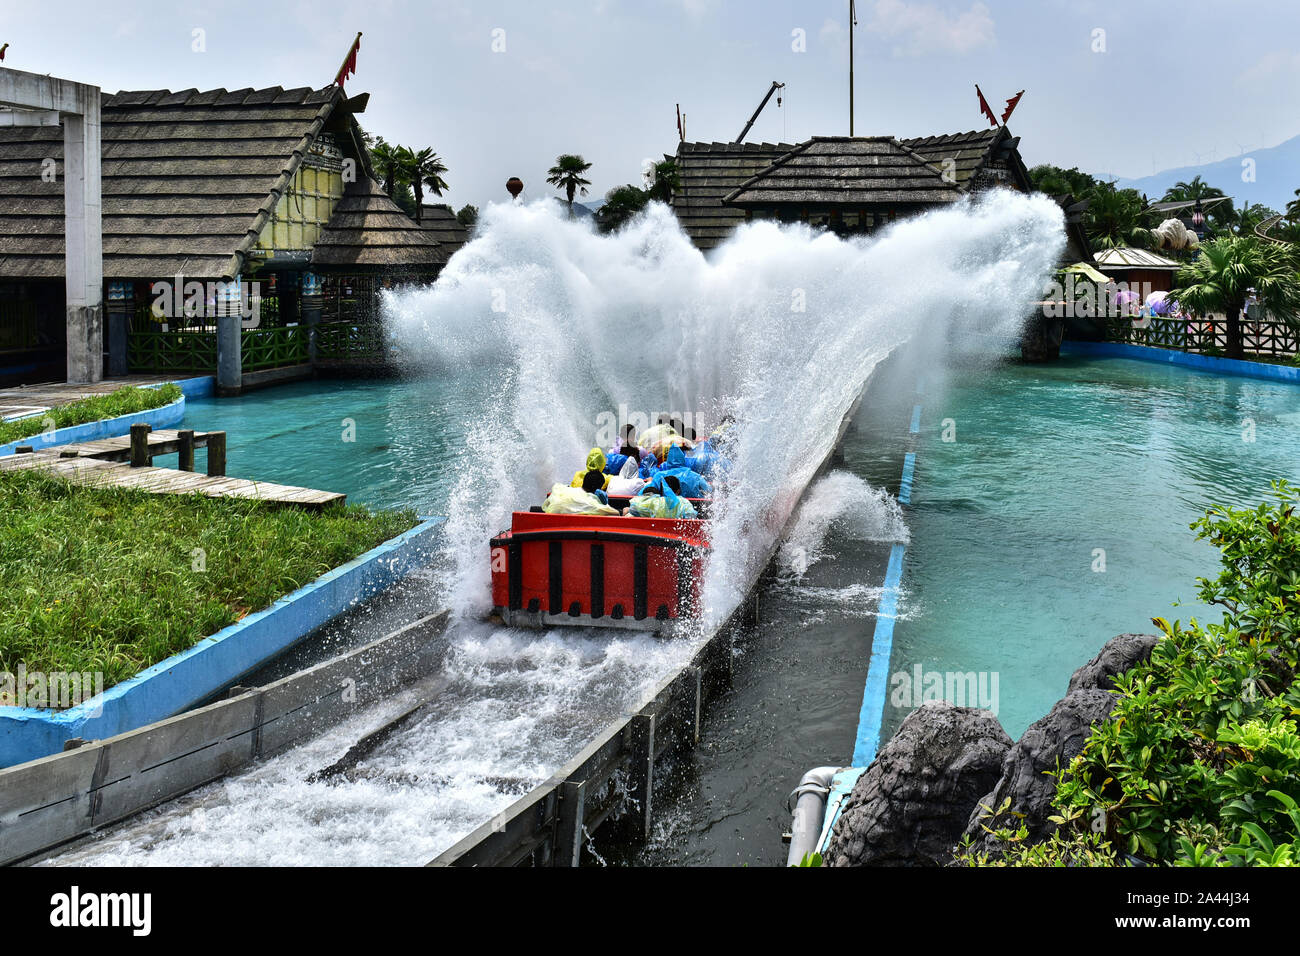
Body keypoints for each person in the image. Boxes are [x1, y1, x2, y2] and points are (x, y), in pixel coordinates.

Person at [645, 444, 712, 498]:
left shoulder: (658, 476)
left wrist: (649, 482)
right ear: (683, 459)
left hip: (667, 511)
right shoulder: (695, 476)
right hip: (693, 509)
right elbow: (708, 490)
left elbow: (646, 493)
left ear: (668, 460)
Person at [624, 480, 697, 519]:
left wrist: (627, 510)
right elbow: (691, 517)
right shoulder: (685, 502)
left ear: (661, 491)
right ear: (678, 491)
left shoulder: (655, 502)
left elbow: (633, 508)